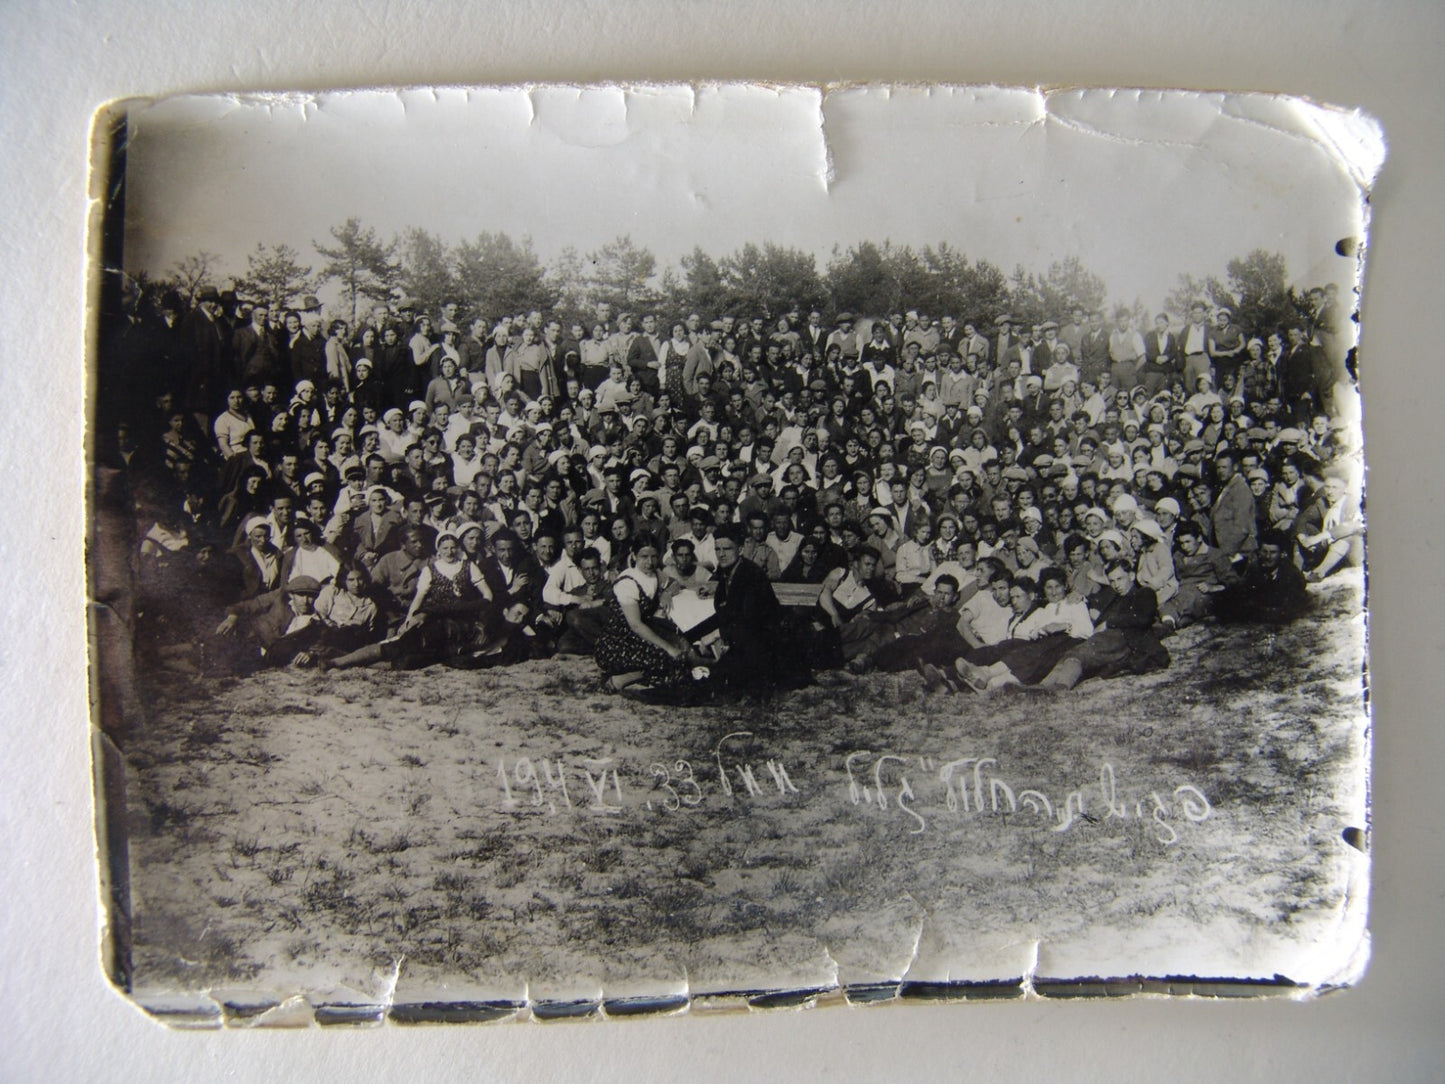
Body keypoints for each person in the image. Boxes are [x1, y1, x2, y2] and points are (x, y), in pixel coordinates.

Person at [1037, 559, 1170, 690]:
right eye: (1112, 581)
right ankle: (1044, 685)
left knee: (1080, 654)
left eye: (1120, 579)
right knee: (1072, 653)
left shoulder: (1144, 593)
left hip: (1127, 640)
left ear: (1131, 576)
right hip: (1108, 640)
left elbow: (1142, 619)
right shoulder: (1115, 598)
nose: (1116, 585)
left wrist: (1108, 623)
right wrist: (1080, 596)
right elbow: (1094, 603)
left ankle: (1061, 687)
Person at [595, 537, 699, 693]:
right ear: (634, 555)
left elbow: (675, 583)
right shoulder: (628, 581)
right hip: (618, 641)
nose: (650, 562)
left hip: (641, 635)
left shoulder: (655, 574)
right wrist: (668, 648)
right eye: (644, 557)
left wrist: (667, 593)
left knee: (682, 655)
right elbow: (635, 625)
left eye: (654, 557)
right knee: (668, 656)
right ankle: (619, 679)